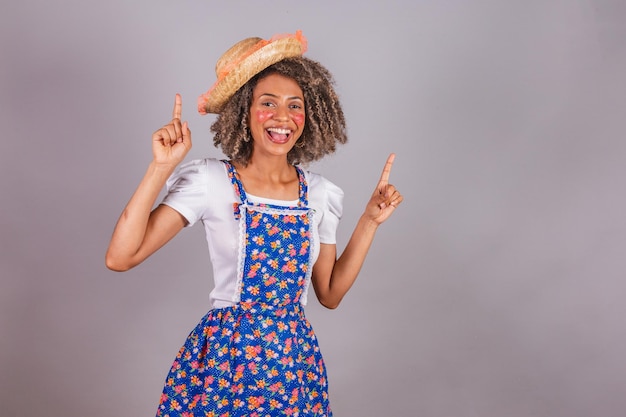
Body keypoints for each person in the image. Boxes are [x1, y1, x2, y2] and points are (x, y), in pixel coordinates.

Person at [106, 30, 403, 417]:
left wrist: (369, 222)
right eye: (268, 103)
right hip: (223, 364)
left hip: (293, 367)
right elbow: (121, 256)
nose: (283, 118)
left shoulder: (320, 195)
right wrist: (161, 168)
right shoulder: (210, 181)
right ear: (243, 111)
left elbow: (328, 293)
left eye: (295, 106)